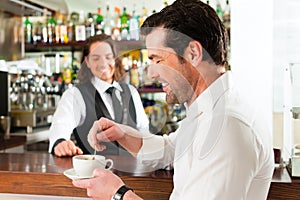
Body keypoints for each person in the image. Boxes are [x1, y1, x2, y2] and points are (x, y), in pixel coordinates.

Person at [72, 0, 274, 199]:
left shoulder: (226, 125)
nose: (152, 73)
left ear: (193, 53)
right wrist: (121, 134)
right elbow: (168, 150)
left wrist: (118, 194)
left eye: (158, 60)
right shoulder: (208, 110)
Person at [48, 34, 149, 157]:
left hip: (133, 171)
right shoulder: (75, 95)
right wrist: (60, 142)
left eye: (108, 57)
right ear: (87, 62)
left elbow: (144, 132)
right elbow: (61, 125)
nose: (103, 63)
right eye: (96, 58)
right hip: (95, 172)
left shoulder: (131, 92)